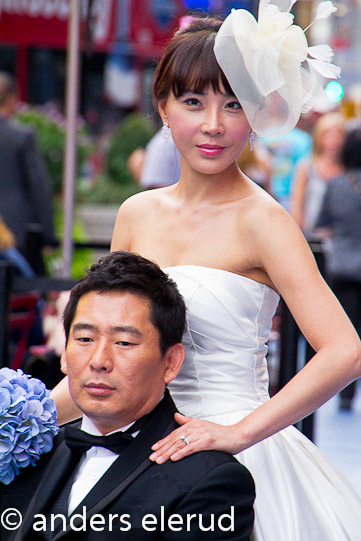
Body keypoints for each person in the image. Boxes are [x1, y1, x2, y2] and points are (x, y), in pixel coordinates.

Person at [51, 4, 361, 540]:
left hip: (234, 457)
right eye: (193, 102)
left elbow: (345, 350)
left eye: (233, 104)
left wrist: (238, 433)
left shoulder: (265, 221)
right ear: (164, 107)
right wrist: (26, 418)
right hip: (131, 446)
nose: (213, 125)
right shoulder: (137, 212)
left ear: (258, 114)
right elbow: (103, 352)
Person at [0, 251, 255, 541]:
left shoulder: (211, 481)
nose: (99, 360)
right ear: (64, 356)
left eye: (124, 342)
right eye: (84, 339)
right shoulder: (26, 449)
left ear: (171, 362)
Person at [316, 126, 361, 411]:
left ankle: (345, 395)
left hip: (343, 267)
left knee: (349, 331)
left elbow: (322, 221)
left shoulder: (337, 184)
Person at [0, 72, 55, 268]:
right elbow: (38, 187)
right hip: (15, 231)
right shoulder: (21, 136)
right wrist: (49, 236)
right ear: (11, 98)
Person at [291, 112, 346, 239]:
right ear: (320, 137)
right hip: (311, 235)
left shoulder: (348, 171)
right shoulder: (306, 167)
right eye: (329, 135)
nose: (334, 140)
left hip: (341, 238)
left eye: (338, 135)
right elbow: (297, 204)